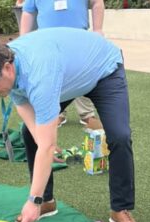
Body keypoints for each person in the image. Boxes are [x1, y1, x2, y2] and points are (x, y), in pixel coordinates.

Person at [0, 28, 145, 222]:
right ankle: (46, 201)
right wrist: (41, 139)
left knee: (120, 136)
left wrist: (32, 200)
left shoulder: (39, 75)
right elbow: (21, 101)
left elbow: (46, 145)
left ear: (7, 68)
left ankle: (121, 209)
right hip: (67, 79)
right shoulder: (7, 61)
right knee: (30, 133)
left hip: (103, 71)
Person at [19, 0, 105, 129]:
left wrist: (98, 29)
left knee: (83, 75)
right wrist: (23, 38)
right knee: (51, 78)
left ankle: (87, 115)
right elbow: (28, 11)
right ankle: (56, 114)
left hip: (79, 38)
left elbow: (97, 2)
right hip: (47, 42)